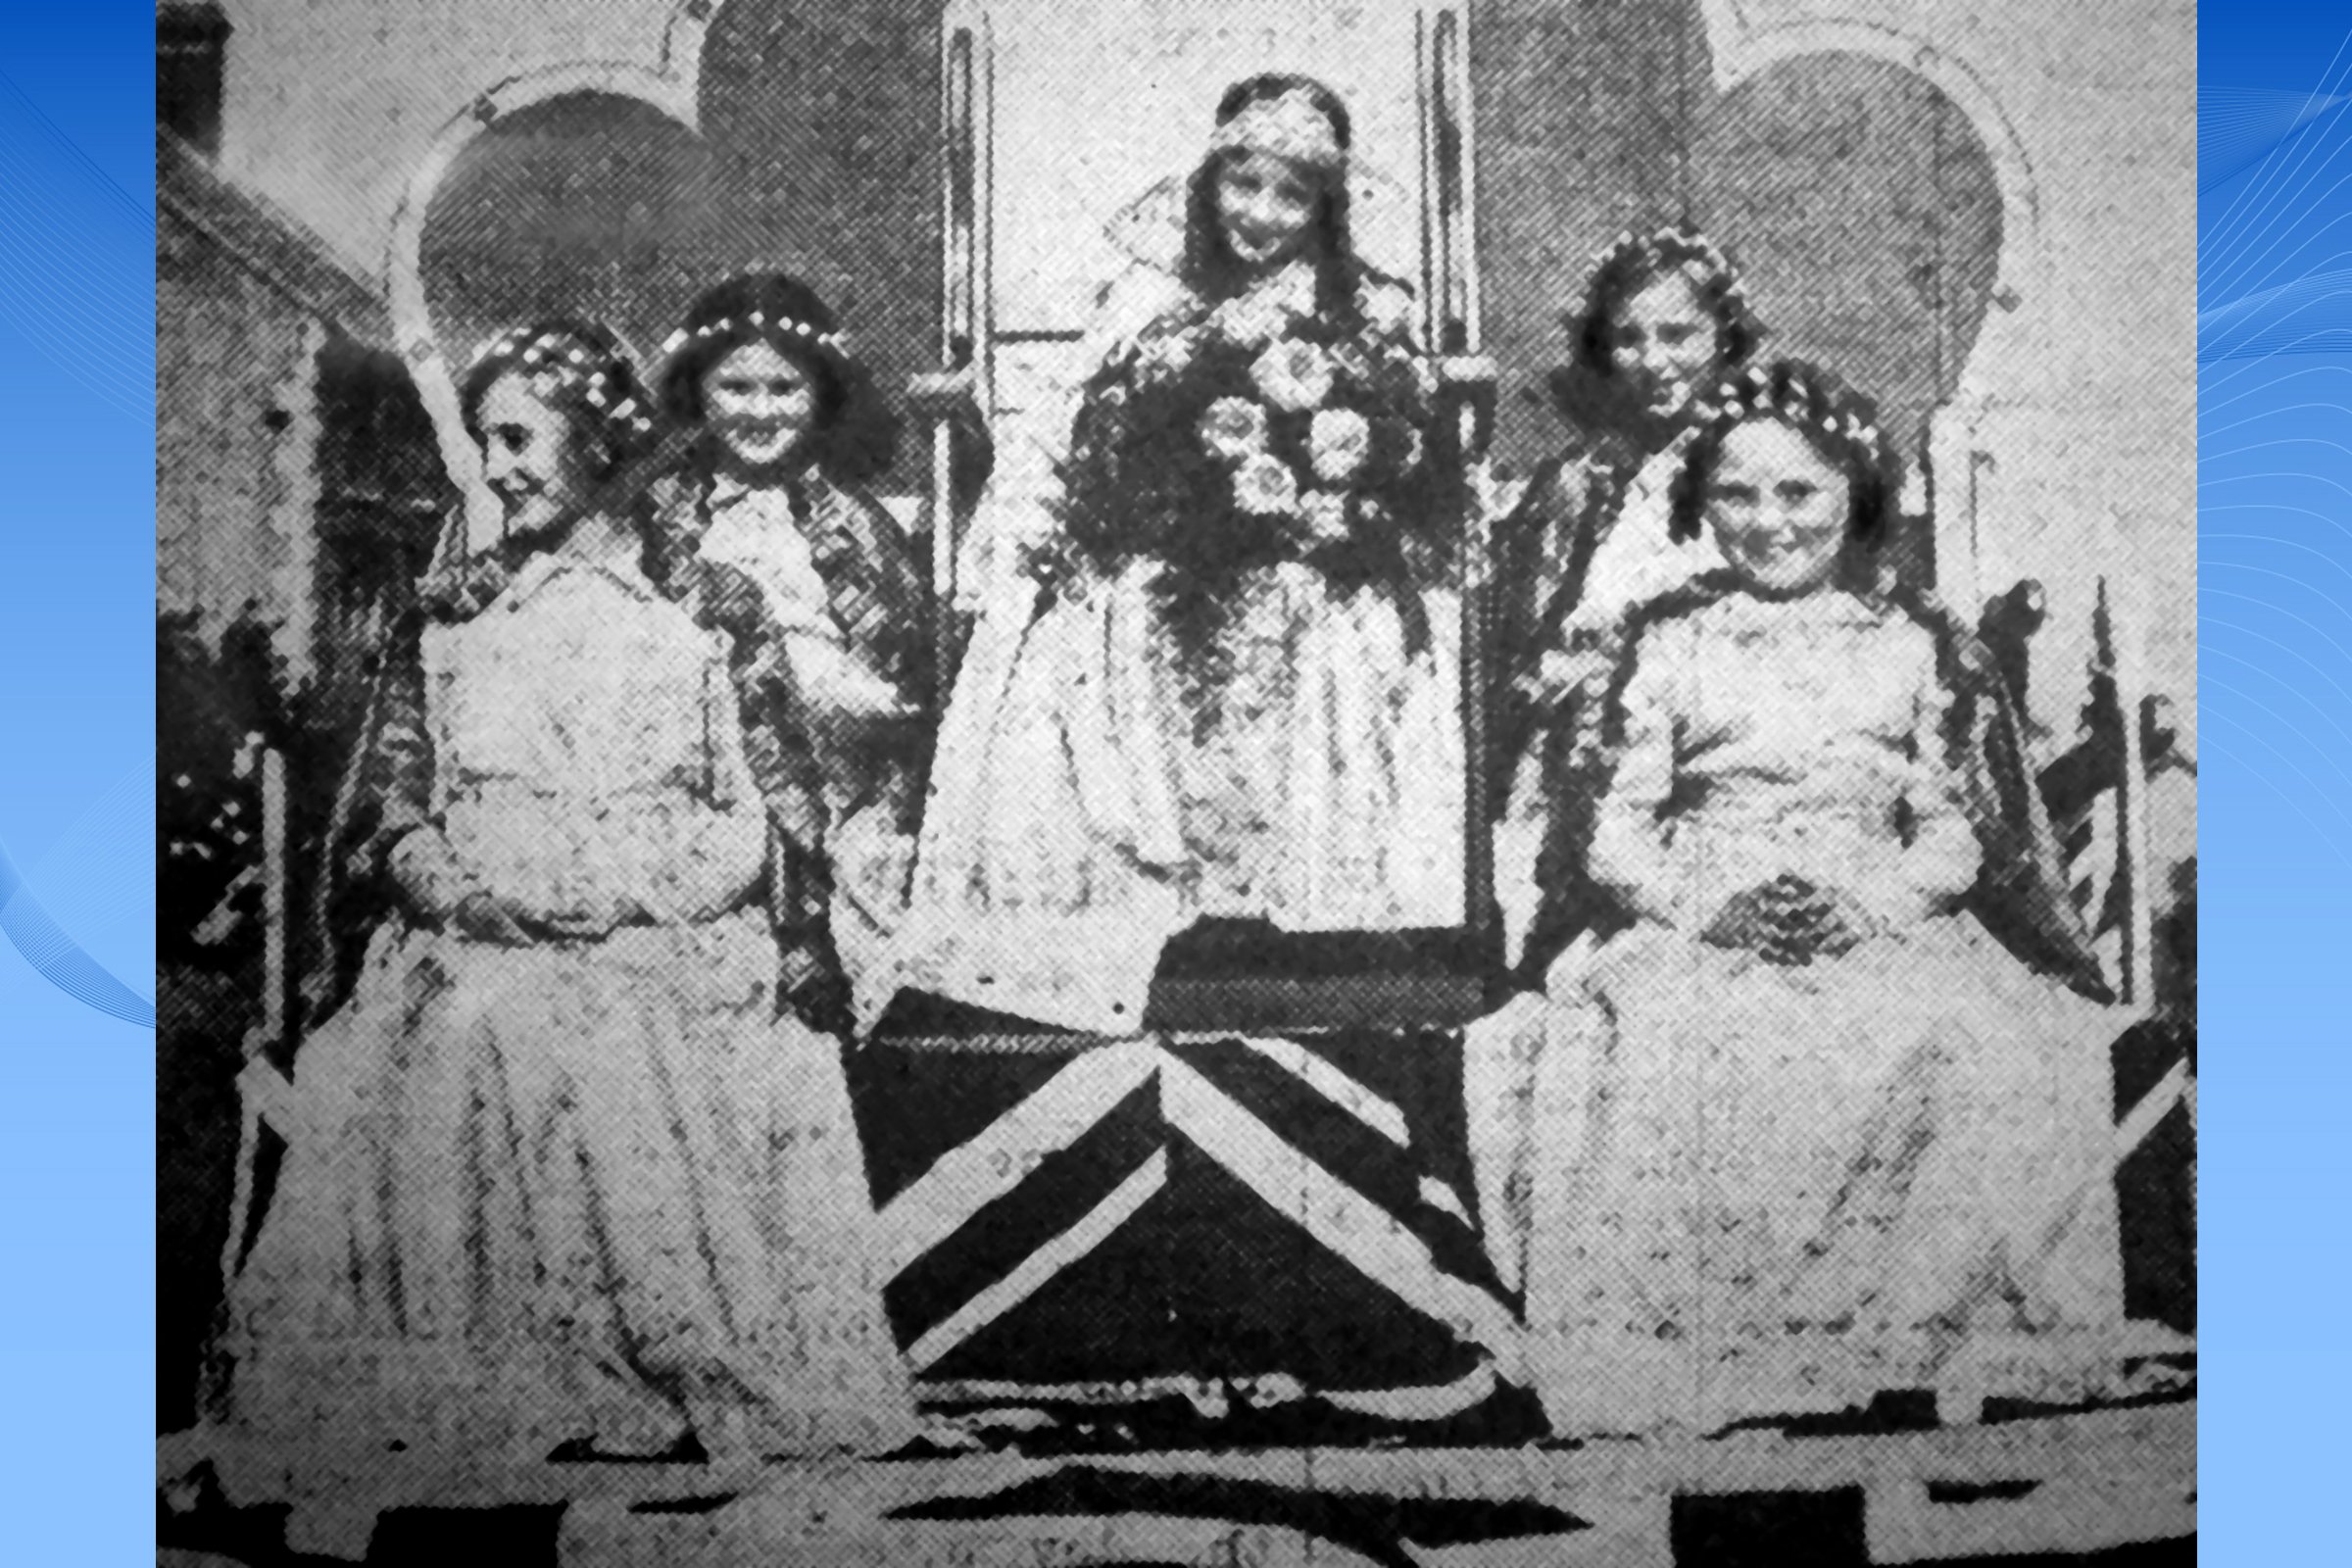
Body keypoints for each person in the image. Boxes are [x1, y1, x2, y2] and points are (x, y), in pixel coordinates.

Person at [208, 321, 918, 1512]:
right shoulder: (452, 617)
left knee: (623, 1025)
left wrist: (619, 900)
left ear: (595, 442)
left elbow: (757, 815)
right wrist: (459, 891)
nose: (496, 470)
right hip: (476, 932)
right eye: (486, 442)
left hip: (667, 927)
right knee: (470, 1016)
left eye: (518, 440)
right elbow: (395, 808)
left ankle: (655, 1359)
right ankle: (490, 1376)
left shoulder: (707, 609)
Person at [1465, 361, 2150, 1438]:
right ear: (1702, 503)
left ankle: (1920, 1342)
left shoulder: (1913, 642)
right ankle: (1711, 1354)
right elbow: (1617, 832)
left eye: (1799, 492)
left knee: (1975, 1035)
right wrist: (1705, 906)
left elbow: (1951, 830)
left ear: (1855, 493)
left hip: (1875, 899)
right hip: (1705, 901)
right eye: (1738, 495)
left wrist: (1872, 903)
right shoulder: (1668, 638)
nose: (1769, 522)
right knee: (1675, 1032)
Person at [881, 74, 1462, 1035]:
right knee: (1127, 608)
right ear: (1209, 183)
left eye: (1291, 195)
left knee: (1320, 615)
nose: (1262, 214)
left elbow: (1407, 453)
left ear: (1324, 207)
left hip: (1309, 552)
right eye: (1244, 185)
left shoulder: (1365, 307)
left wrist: (1335, 493)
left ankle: (1294, 914)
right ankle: (1173, 884)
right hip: (1167, 553)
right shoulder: (1149, 294)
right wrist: (1040, 538)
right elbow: (1074, 432)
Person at [641, 273, 934, 1036]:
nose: (761, 411)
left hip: (835, 776)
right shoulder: (657, 516)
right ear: (697, 392)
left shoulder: (857, 524)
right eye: (736, 388)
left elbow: (899, 672)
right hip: (703, 768)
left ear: (821, 393)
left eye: (784, 388)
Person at [1491, 225, 1761, 969]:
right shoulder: (1581, 485)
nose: (1655, 361)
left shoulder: (1757, 470)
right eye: (1630, 339)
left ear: (1723, 337)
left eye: (1678, 335)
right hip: (1594, 751)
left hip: (1725, 739)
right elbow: (1532, 641)